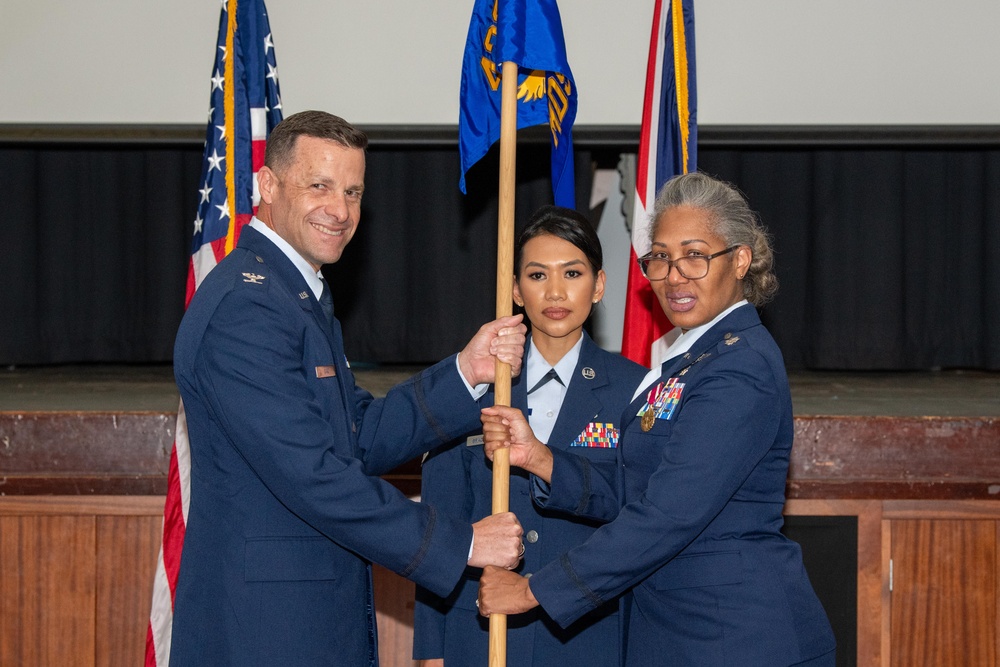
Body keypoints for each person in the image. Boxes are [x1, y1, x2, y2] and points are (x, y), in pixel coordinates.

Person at [169, 110, 526, 666]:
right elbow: (314, 476)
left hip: (304, 621)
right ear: (267, 185)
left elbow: (354, 435)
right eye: (320, 186)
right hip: (264, 634)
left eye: (353, 192)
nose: (340, 210)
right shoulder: (248, 307)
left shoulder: (293, 296)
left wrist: (465, 371)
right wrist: (465, 543)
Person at [478, 172, 837, 666]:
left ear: (739, 260)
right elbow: (638, 493)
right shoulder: (688, 360)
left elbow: (668, 515)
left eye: (695, 255)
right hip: (675, 634)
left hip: (735, 638)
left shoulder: (740, 367)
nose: (674, 275)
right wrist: (540, 459)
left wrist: (533, 591)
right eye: (661, 258)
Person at [412, 206, 648, 666]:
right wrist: (431, 650)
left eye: (573, 273)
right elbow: (439, 526)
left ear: (598, 285)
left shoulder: (634, 391)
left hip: (586, 638)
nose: (556, 291)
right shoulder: (473, 385)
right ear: (516, 290)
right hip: (479, 635)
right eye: (538, 275)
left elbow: (642, 520)